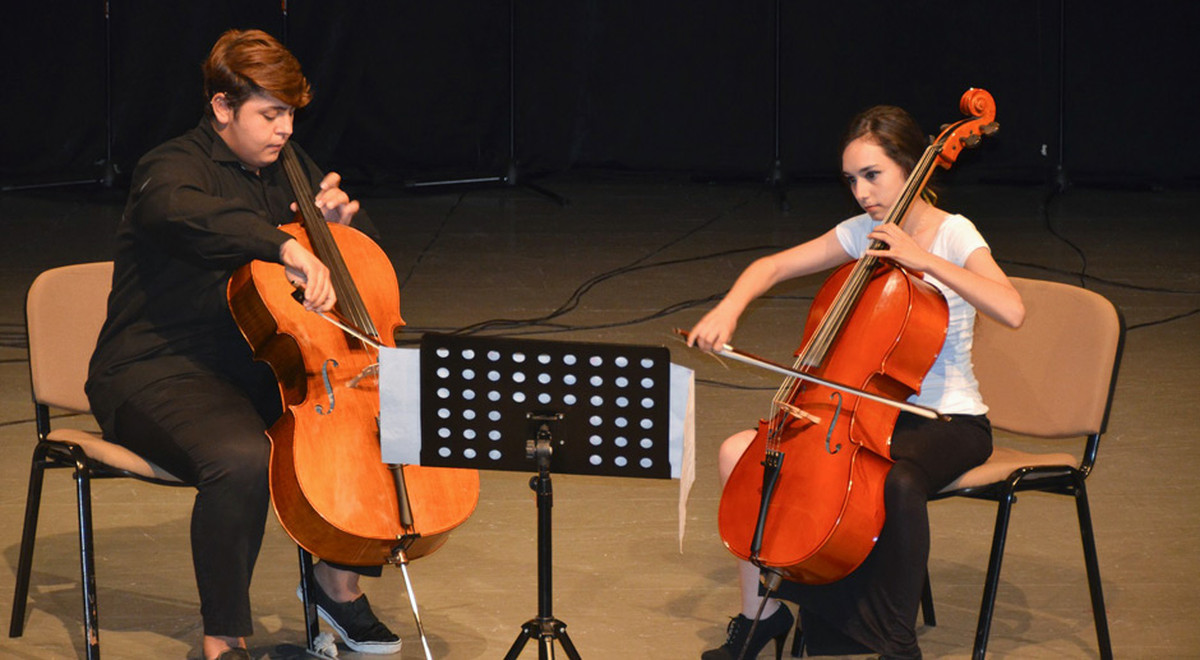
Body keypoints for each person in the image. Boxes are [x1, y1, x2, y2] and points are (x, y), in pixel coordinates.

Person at [86, 29, 402, 660]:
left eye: (289, 113)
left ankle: (336, 594)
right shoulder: (171, 168)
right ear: (222, 107)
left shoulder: (287, 164)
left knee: (379, 421)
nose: (284, 130)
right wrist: (282, 243)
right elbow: (188, 216)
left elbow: (362, 259)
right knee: (242, 458)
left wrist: (341, 225)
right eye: (269, 113)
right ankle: (223, 639)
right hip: (157, 372)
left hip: (257, 367)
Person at [689, 105, 1025, 660]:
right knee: (740, 452)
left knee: (891, 484)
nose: (862, 192)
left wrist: (925, 261)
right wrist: (728, 309)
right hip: (867, 413)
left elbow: (1011, 309)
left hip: (947, 420)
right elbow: (770, 268)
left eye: (873, 176)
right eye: (852, 180)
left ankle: (893, 642)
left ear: (912, 167)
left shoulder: (952, 232)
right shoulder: (863, 232)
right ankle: (760, 619)